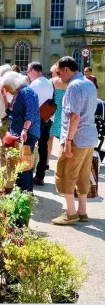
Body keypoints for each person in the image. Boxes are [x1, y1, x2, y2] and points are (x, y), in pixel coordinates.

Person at [52, 56, 98, 225]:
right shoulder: (89, 83)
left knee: (66, 173)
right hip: (90, 136)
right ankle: (82, 211)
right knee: (83, 175)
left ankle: (70, 213)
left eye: (58, 72)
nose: (58, 77)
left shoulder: (73, 85)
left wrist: (68, 141)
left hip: (76, 138)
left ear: (65, 69)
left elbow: (74, 116)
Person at [2, 71, 40, 191]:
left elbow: (31, 113)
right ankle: (25, 193)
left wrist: (24, 130)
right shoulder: (19, 92)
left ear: (13, 84)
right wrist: (3, 96)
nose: (7, 91)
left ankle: (25, 194)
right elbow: (11, 112)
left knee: (23, 165)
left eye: (7, 88)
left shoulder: (26, 91)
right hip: (20, 133)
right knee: (21, 165)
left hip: (27, 133)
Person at [28, 62, 54, 186]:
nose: (28, 75)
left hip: (36, 119)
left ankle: (27, 175)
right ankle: (40, 176)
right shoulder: (48, 82)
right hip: (47, 118)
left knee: (29, 146)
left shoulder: (34, 84)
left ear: (33, 70)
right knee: (43, 147)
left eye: (28, 72)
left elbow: (30, 104)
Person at [47, 64, 67, 168]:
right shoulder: (68, 82)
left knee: (49, 139)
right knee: (63, 140)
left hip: (53, 112)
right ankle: (62, 164)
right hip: (64, 113)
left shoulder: (51, 82)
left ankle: (47, 162)